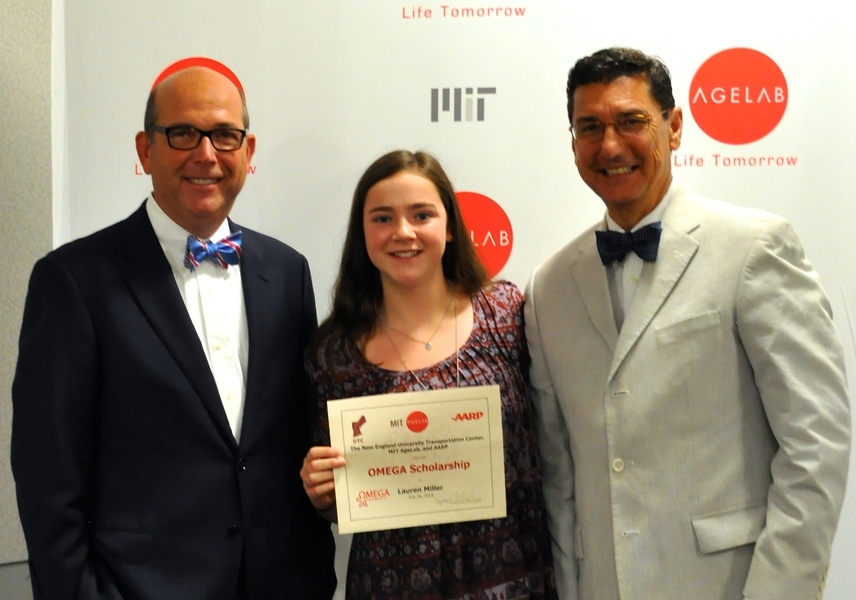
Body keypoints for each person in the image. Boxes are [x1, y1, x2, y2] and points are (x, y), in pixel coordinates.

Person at [524, 46, 851, 600]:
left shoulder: (753, 249)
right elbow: (559, 479)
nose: (610, 146)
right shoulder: (548, 287)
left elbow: (815, 444)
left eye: (631, 121)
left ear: (674, 127)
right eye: (590, 127)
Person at [10, 59, 336, 599]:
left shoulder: (286, 271)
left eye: (225, 135)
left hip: (284, 583)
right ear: (145, 150)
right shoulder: (74, 281)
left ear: (248, 152)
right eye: (183, 133)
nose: (206, 154)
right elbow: (47, 472)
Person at [300, 150, 557, 599]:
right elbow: (344, 501)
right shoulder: (333, 354)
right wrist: (323, 491)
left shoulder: (506, 315)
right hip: (391, 586)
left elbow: (552, 442)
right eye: (383, 218)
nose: (403, 232)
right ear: (363, 233)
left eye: (422, 215)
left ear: (450, 226)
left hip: (512, 578)